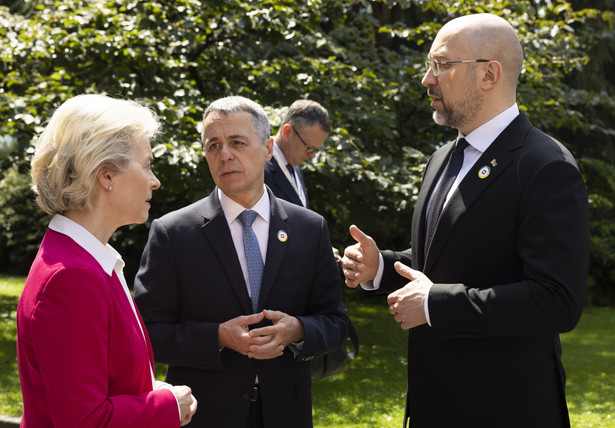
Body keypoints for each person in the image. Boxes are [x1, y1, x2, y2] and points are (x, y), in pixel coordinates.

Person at [341, 13, 589, 428]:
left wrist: (435, 304)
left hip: (503, 409)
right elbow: (441, 261)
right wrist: (381, 266)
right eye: (428, 65)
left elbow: (556, 301)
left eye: (441, 65)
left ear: (489, 74)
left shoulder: (545, 166)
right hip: (434, 403)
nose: (427, 79)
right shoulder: (443, 158)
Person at [133, 95, 349, 428]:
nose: (225, 155)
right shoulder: (173, 233)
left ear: (266, 149)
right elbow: (147, 334)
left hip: (286, 413)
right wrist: (218, 336)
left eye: (236, 142)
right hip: (205, 414)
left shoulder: (309, 228)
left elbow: (335, 323)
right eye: (213, 146)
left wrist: (298, 330)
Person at [16, 94, 198, 427]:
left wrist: (146, 390)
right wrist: (166, 406)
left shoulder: (86, 260)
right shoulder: (71, 277)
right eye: (147, 164)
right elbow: (84, 420)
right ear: (106, 175)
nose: (155, 180)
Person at [264, 99, 330, 210]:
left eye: (317, 150)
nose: (313, 156)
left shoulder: (295, 166)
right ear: (287, 132)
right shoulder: (259, 167)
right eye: (309, 148)